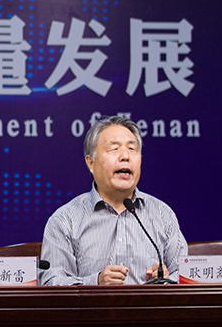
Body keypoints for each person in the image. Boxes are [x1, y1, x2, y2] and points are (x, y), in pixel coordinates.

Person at [41, 116, 187, 286]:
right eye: (114, 149)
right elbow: (51, 282)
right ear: (91, 163)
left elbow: (187, 275)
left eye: (132, 149)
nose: (125, 156)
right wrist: (96, 282)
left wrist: (164, 281)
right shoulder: (65, 220)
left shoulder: (162, 214)